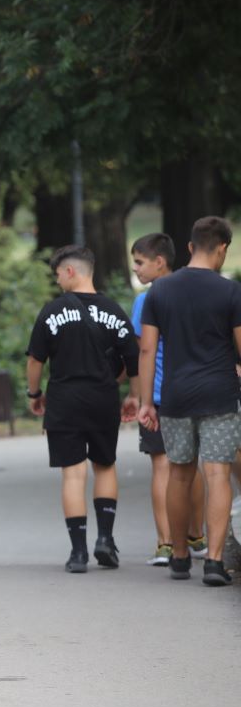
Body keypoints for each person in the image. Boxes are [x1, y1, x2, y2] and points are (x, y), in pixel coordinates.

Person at [137, 216, 241, 587]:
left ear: (190, 247)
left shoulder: (160, 292)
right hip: (220, 395)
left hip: (177, 396)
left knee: (178, 474)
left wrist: (147, 401)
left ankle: (179, 556)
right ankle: (213, 562)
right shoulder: (230, 292)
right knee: (216, 474)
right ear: (222, 248)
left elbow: (147, 349)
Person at [26, 244, 140, 574]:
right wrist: (133, 395)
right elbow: (133, 360)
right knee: (104, 466)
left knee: (73, 474)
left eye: (58, 274)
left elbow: (35, 359)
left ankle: (78, 553)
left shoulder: (52, 311)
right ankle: (105, 539)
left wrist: (34, 392)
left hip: (64, 399)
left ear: (71, 271)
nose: (58, 280)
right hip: (103, 398)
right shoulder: (114, 311)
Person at [129, 233, 207, 565]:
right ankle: (197, 535)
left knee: (163, 466)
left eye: (139, 262)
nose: (136, 269)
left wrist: (139, 396)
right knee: (196, 466)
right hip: (196, 390)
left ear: (159, 261)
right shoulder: (196, 293)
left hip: (160, 394)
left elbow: (141, 351)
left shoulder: (147, 300)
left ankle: (165, 542)